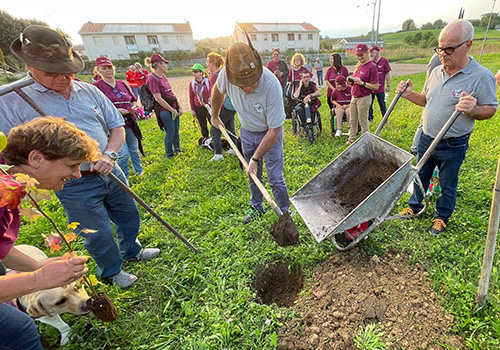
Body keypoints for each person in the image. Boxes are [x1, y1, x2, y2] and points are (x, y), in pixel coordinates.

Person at [0, 25, 160, 289]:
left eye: (68, 69)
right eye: (53, 72)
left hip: (108, 168)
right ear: (30, 66)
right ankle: (111, 270)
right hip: (73, 182)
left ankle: (132, 250)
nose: (64, 77)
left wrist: (109, 155)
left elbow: (116, 126)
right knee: (96, 232)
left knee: (128, 213)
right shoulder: (10, 99)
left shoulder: (89, 91)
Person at [0, 116, 99, 350]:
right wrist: (39, 280)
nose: (77, 174)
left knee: (19, 327)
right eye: (71, 165)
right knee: (19, 333)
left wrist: (38, 266)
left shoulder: (11, 185)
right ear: (36, 158)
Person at [396, 20, 498, 236]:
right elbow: (427, 101)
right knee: (420, 174)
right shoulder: (436, 71)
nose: (443, 53)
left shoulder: (482, 76)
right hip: (426, 137)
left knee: (447, 182)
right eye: (440, 48)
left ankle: (441, 217)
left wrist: (474, 109)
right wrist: (408, 95)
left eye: (449, 48)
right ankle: (414, 207)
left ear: (468, 45)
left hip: (453, 143)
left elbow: (490, 109)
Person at [210, 41, 291, 223]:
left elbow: (274, 129)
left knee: (275, 178)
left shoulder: (271, 86)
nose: (247, 88)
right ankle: (257, 207)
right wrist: (214, 115)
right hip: (247, 131)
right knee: (253, 174)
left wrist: (255, 159)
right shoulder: (226, 74)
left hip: (269, 134)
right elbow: (218, 91)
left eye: (251, 83)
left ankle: (285, 214)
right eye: (241, 84)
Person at [93, 56, 143, 178]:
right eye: (104, 68)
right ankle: (124, 176)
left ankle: (139, 171)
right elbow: (96, 108)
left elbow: (133, 99)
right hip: (113, 126)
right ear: (98, 70)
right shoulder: (96, 87)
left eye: (110, 67)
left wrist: (133, 107)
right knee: (123, 153)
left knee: (134, 148)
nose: (108, 71)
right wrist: (115, 111)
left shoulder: (122, 84)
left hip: (129, 121)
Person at [145, 53, 183, 158]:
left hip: (173, 108)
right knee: (170, 131)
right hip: (164, 110)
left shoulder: (163, 77)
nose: (166, 66)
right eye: (165, 64)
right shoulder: (152, 79)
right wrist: (172, 110)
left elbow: (172, 93)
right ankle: (169, 154)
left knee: (176, 130)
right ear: (159, 65)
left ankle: (177, 149)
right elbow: (158, 98)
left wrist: (178, 107)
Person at [346, 43, 379, 145]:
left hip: (364, 97)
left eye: (361, 55)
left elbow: (376, 86)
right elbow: (355, 82)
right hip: (354, 96)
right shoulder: (358, 65)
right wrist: (350, 81)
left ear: (367, 53)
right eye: (357, 55)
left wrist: (362, 83)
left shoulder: (372, 67)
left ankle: (365, 142)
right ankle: (351, 139)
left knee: (363, 121)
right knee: (353, 120)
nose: (359, 57)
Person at [207, 52, 237, 162]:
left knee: (215, 129)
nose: (207, 64)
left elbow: (218, 94)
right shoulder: (223, 73)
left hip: (224, 106)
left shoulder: (215, 77)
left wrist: (215, 112)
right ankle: (234, 149)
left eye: (207, 62)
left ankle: (218, 154)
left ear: (211, 63)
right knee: (230, 127)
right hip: (232, 106)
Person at [368, 45, 391, 123]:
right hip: (371, 88)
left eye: (372, 52)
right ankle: (370, 119)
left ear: (377, 52)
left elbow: (387, 73)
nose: (370, 54)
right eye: (370, 52)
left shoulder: (384, 61)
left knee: (382, 105)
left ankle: (385, 120)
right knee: (369, 105)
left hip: (380, 88)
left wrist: (388, 85)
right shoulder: (370, 62)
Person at [188, 63, 211, 141]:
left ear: (201, 72)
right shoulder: (192, 83)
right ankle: (206, 139)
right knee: (202, 124)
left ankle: (215, 138)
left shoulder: (208, 82)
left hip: (208, 106)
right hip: (198, 107)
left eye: (196, 71)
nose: (194, 73)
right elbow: (191, 97)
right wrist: (192, 109)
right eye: (193, 71)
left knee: (212, 123)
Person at [287, 53, 310, 119]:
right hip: (294, 89)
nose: (297, 61)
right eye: (296, 60)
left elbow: (312, 77)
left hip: (303, 89)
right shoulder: (291, 70)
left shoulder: (303, 69)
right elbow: (288, 80)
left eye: (298, 60)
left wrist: (305, 81)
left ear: (301, 61)